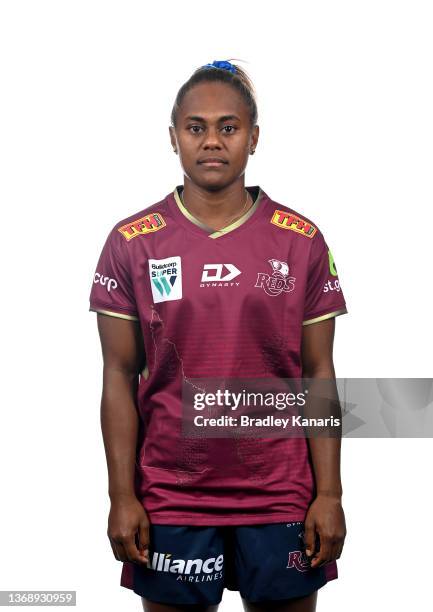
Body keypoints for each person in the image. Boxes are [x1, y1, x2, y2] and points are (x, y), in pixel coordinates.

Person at [89, 59, 348, 612]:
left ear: (253, 138)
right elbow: (117, 373)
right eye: (196, 127)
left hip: (281, 496)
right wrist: (121, 496)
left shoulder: (300, 241)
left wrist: (329, 493)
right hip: (171, 498)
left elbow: (318, 374)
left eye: (228, 127)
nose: (212, 141)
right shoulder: (133, 242)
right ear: (174, 137)